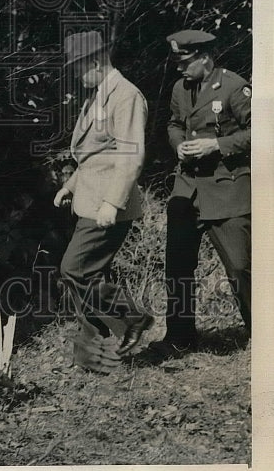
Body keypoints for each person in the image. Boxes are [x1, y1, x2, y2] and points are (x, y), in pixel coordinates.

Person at [149, 29, 251, 358]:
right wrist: (179, 146)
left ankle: (262, 335)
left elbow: (262, 131)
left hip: (227, 188)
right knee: (177, 265)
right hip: (188, 189)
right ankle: (180, 337)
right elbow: (174, 123)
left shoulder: (234, 87)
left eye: (184, 61)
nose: (178, 67)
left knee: (239, 265)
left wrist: (216, 145)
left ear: (204, 58)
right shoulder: (181, 87)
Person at [54, 31, 153, 369]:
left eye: (78, 68)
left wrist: (113, 202)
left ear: (95, 62)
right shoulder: (98, 94)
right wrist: (70, 185)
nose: (76, 76)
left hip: (108, 206)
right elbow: (95, 152)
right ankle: (93, 354)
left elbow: (129, 157)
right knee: (87, 275)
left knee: (74, 269)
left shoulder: (126, 96)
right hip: (90, 201)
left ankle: (132, 319)